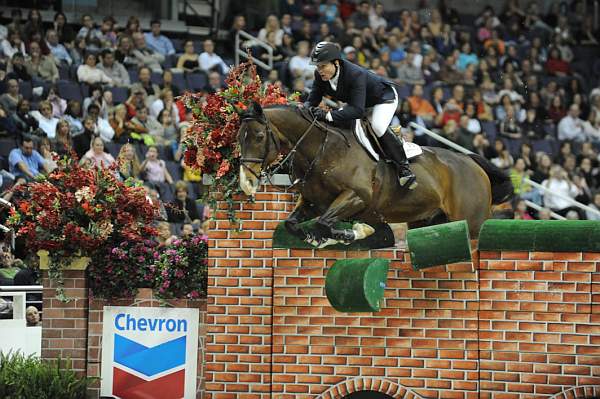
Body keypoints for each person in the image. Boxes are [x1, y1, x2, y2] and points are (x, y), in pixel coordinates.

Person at [305, 41, 416, 188]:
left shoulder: (354, 74)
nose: (320, 70)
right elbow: (311, 100)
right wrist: (303, 110)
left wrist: (327, 115)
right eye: (318, 66)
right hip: (359, 102)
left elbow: (357, 111)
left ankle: (404, 169)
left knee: (377, 126)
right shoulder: (320, 75)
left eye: (323, 66)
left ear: (336, 63)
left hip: (382, 98)